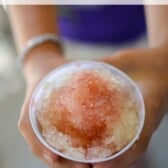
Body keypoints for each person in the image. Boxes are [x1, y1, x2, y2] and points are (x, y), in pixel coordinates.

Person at [8, 5, 168, 168]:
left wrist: (164, 51)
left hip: (147, 29)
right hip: (67, 35)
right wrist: (40, 55)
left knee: (139, 133)